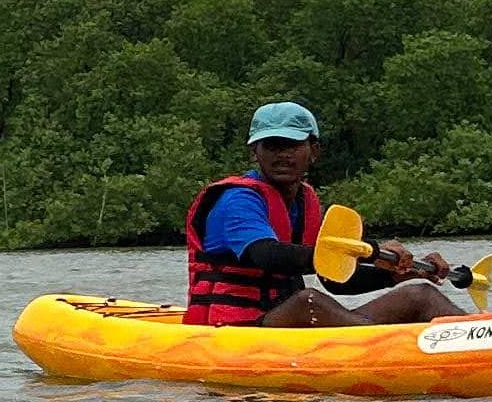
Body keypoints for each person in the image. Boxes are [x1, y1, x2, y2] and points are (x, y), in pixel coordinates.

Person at [184, 101, 463, 328]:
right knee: (308, 300)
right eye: (272, 146)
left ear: (314, 150)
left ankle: (481, 339)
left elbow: (337, 280)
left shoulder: (306, 201)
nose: (282, 155)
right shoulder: (237, 199)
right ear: (254, 152)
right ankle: (383, 346)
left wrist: (394, 274)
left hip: (286, 323)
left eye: (292, 145)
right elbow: (266, 255)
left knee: (420, 295)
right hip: (234, 328)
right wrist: (370, 252)